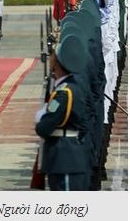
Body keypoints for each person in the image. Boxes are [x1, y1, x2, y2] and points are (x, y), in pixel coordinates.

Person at [35, 31, 90, 190]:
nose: (50, 57)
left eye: (53, 55)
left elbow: (44, 127)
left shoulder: (63, 94)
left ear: (58, 63)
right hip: (71, 157)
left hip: (64, 160)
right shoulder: (72, 88)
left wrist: (41, 118)